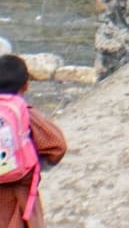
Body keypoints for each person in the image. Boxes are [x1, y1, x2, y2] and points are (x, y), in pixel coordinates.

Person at [0, 53, 66, 228]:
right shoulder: (26, 113)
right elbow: (57, 146)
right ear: (26, 85)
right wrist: (29, 158)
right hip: (21, 195)